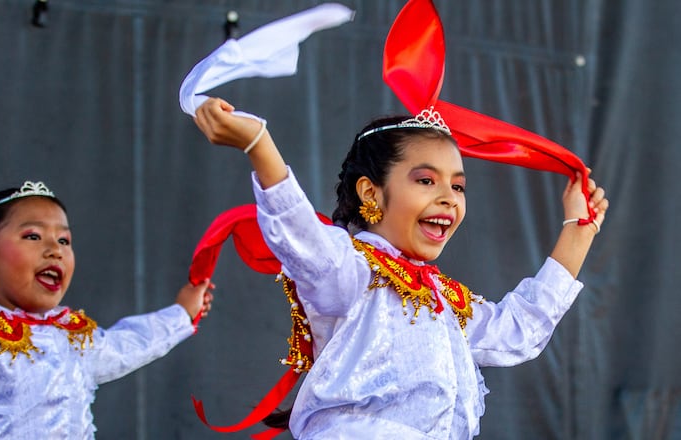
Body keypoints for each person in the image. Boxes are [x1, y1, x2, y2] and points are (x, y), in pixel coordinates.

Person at [192, 97, 608, 439]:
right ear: (370, 193)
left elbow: (517, 330)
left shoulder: (444, 301)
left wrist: (579, 232)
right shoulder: (349, 271)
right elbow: (300, 236)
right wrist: (260, 145)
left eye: (458, 186)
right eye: (426, 180)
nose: (448, 197)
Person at [0, 147, 214, 439]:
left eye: (64, 241)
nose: (54, 250)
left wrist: (181, 315)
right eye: (33, 236)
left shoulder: (72, 340)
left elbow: (128, 344)